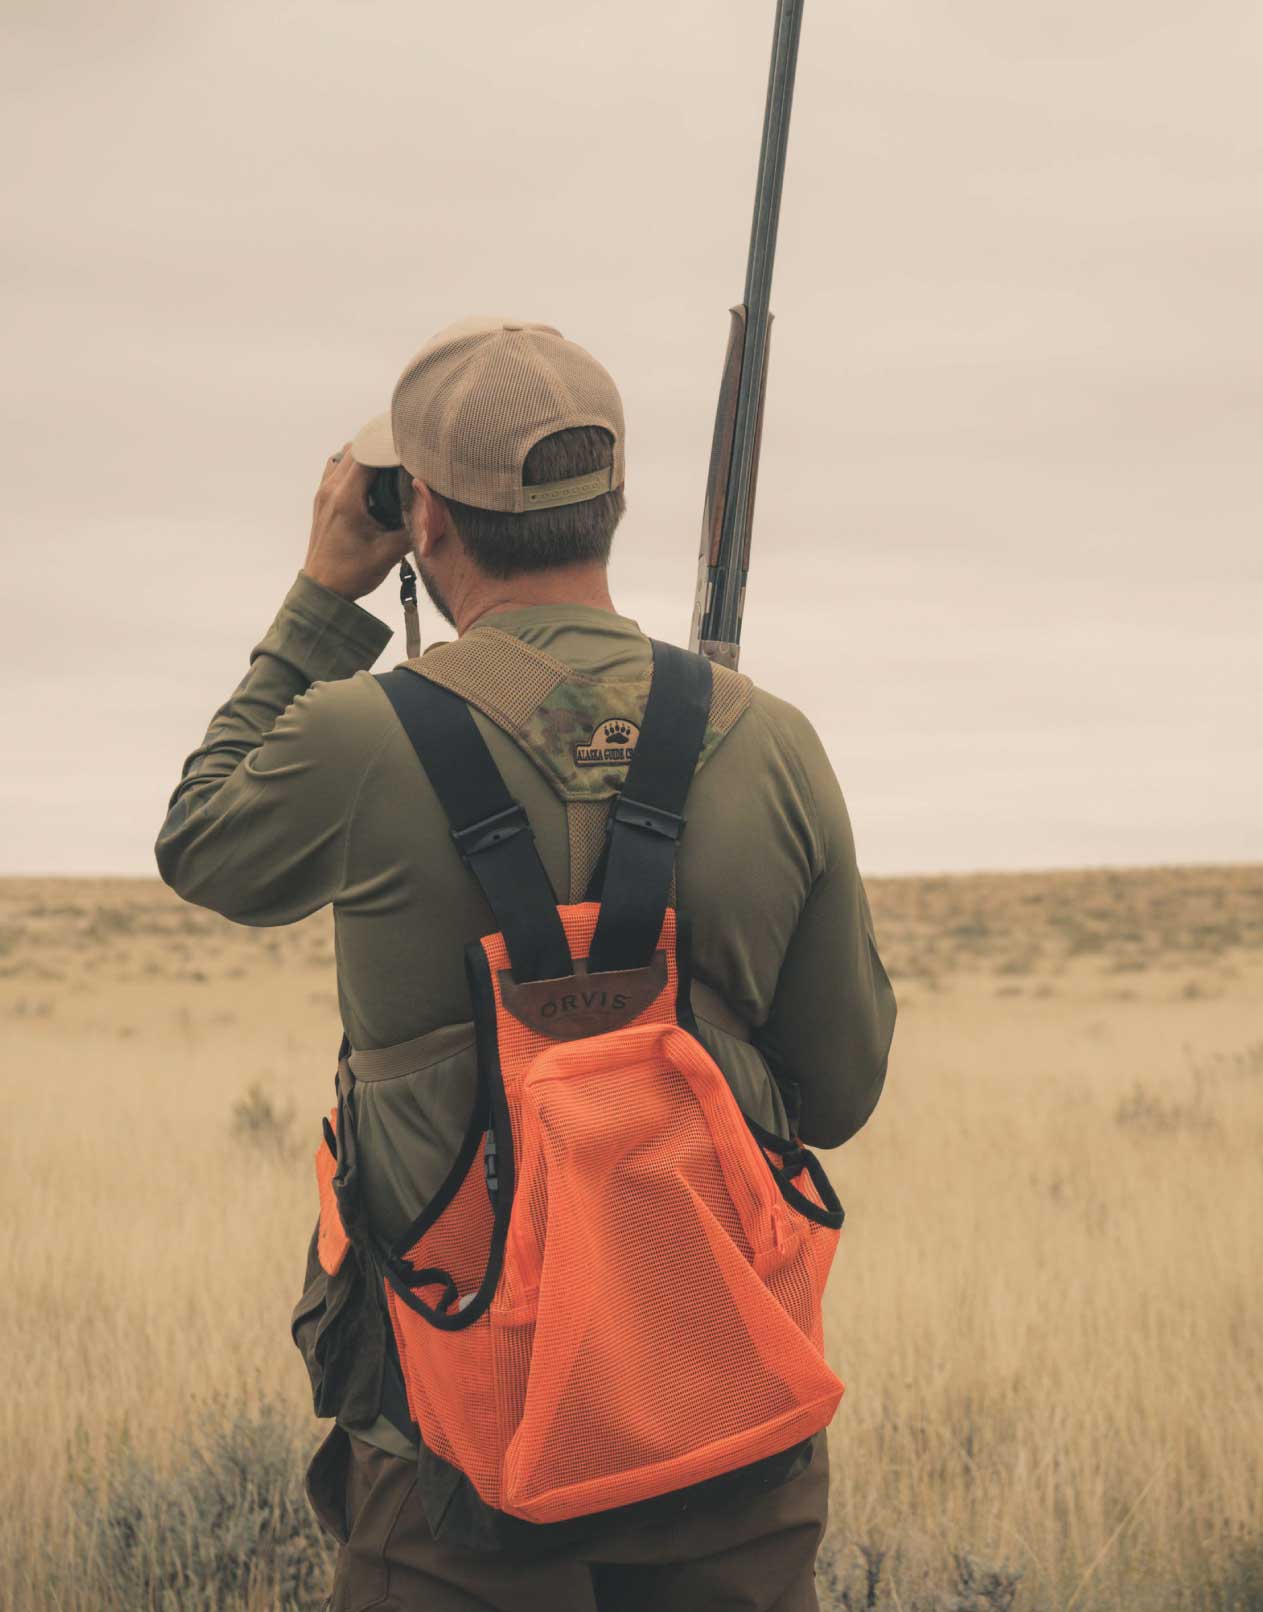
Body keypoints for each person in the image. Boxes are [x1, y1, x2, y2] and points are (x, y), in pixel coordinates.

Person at [156, 316, 896, 1611]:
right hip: (731, 1424)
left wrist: (326, 600)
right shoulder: (770, 739)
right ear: (612, 504)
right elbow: (837, 1094)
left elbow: (204, 848)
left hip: (454, 1442)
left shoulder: (359, 737)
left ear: (420, 519)